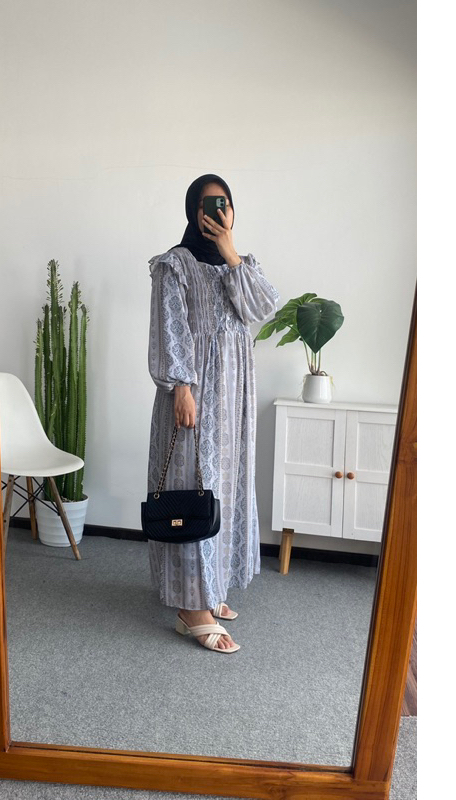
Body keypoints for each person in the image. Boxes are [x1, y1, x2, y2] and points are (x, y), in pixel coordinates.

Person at [147, 174, 280, 653]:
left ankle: (211, 585)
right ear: (193, 211)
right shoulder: (175, 265)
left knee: (223, 488)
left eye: (224, 204)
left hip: (234, 398)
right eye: (208, 205)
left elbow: (263, 308)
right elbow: (170, 329)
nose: (217, 212)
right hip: (195, 393)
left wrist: (230, 251)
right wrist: (181, 387)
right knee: (190, 487)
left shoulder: (241, 267)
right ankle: (191, 607)